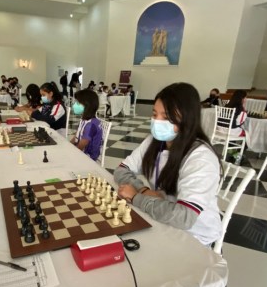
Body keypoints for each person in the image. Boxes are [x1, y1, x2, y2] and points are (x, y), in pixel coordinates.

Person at [115, 82, 222, 247]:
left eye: (166, 117)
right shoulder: (154, 141)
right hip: (160, 219)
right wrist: (144, 190)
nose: (157, 122)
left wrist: (136, 197)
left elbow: (184, 217)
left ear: (187, 119)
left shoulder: (201, 158)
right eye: (154, 114)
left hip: (195, 236)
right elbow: (121, 170)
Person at [71, 90, 103, 161]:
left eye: (78, 103)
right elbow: (77, 135)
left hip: (88, 157)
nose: (74, 105)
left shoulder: (90, 125)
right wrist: (69, 145)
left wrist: (70, 152)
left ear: (87, 105)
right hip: (81, 151)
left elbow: (82, 145)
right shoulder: (84, 119)